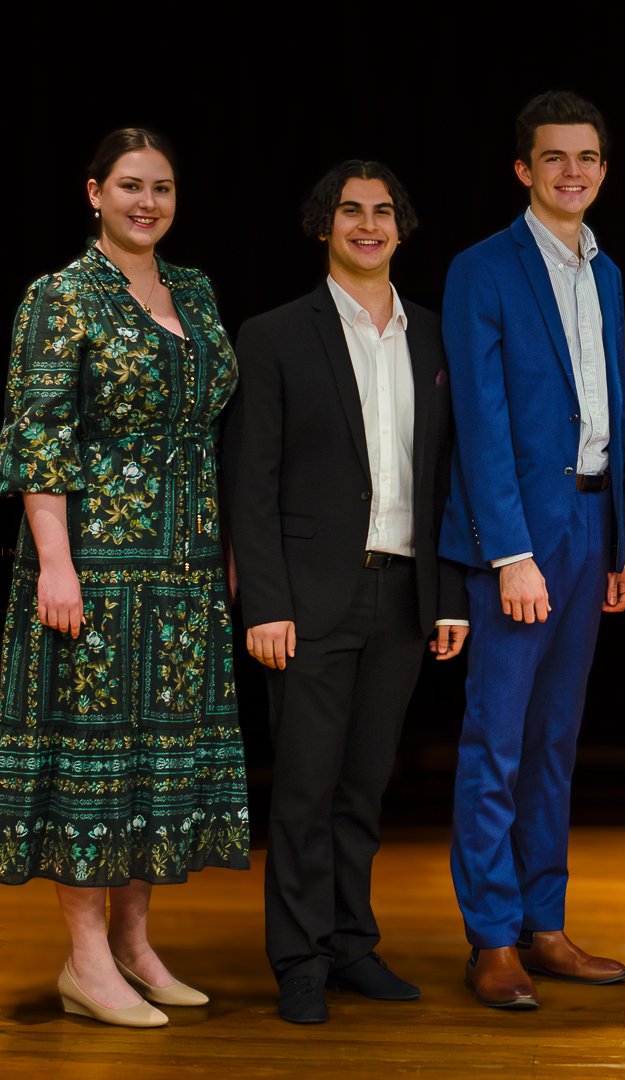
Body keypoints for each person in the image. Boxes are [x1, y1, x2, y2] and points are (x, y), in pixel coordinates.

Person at [0, 128, 247, 1028]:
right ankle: (85, 962)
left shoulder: (193, 290)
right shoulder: (59, 297)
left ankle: (136, 947)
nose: (149, 203)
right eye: (132, 187)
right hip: (95, 570)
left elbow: (214, 429)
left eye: (165, 188)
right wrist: (54, 564)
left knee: (155, 767)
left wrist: (222, 546)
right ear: (95, 192)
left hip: (182, 574)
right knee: (93, 766)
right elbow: (38, 438)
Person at [224, 160, 469, 1024]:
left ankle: (351, 945)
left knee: (365, 788)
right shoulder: (274, 334)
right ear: (323, 225)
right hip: (309, 598)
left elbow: (450, 478)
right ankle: (297, 960)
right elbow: (249, 482)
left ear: (402, 227)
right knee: (303, 790)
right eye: (349, 211)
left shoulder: (438, 337)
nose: (368, 224)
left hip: (404, 593)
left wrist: (451, 595)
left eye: (383, 211)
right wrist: (265, 604)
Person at [441, 91, 625, 1010]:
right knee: (499, 740)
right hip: (520, 535)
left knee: (556, 741)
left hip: (592, 527)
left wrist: (623, 545)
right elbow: (478, 425)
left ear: (602, 167)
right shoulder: (483, 270)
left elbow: (614, 414)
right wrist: (509, 552)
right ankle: (492, 937)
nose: (571, 173)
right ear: (524, 169)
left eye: (586, 158)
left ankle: (544, 923)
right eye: (553, 158)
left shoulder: (610, 275)